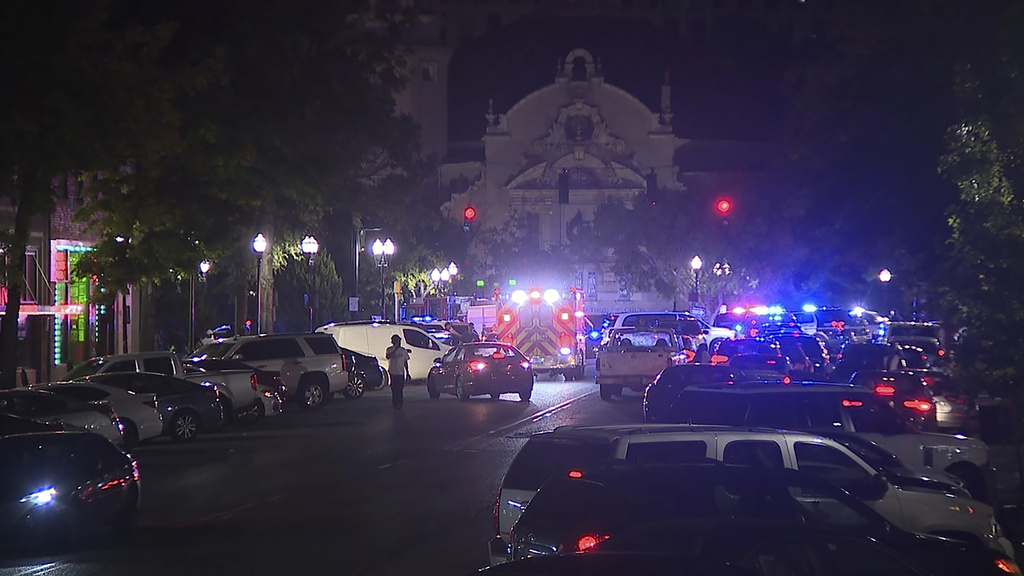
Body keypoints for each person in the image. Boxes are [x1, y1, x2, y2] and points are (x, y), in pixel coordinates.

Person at [385, 334, 411, 410]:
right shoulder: (389, 349)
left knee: (400, 388)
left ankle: (399, 403)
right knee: (394, 388)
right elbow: (388, 356)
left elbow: (405, 362)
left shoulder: (403, 351)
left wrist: (407, 372)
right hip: (393, 372)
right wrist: (395, 349)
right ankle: (395, 402)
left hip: (400, 372)